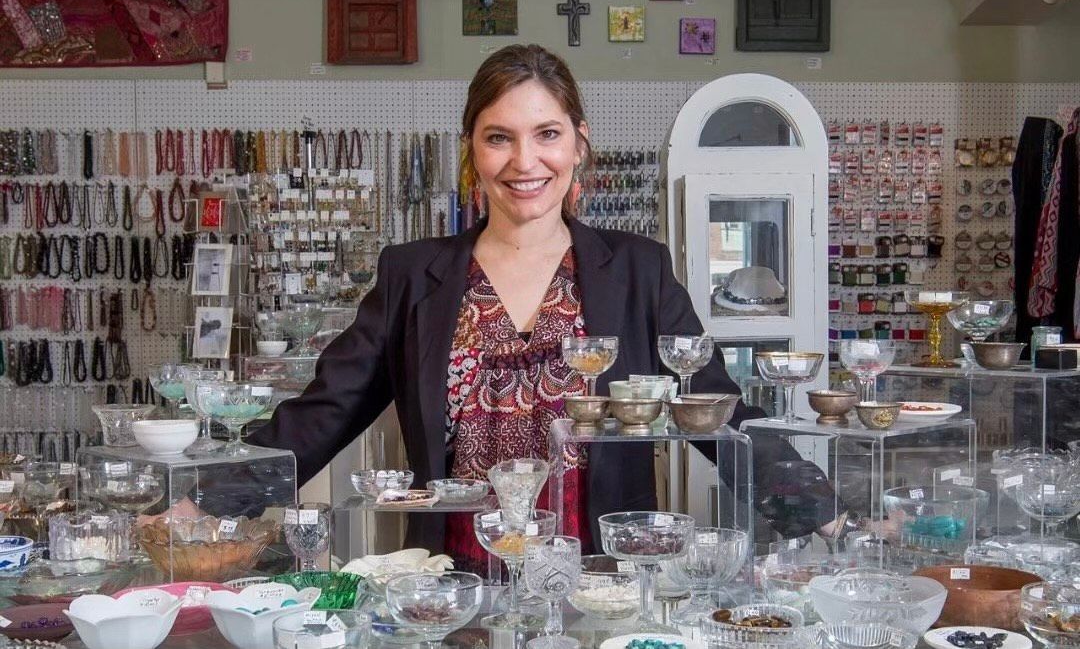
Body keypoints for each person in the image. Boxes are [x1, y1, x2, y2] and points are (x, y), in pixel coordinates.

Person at [250, 44, 845, 568]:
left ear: (579, 143)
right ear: (472, 151)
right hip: (456, 580)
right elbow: (328, 410)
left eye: (547, 134)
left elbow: (714, 406)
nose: (525, 162)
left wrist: (825, 514)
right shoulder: (413, 274)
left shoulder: (637, 269)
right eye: (499, 137)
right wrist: (210, 490)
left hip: (602, 574)